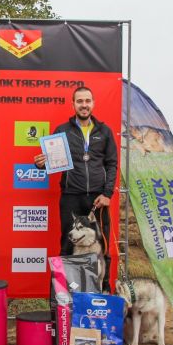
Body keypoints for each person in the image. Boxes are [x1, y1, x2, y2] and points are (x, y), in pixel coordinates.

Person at [34, 86, 118, 291]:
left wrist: (107, 194)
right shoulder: (62, 131)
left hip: (97, 199)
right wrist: (41, 164)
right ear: (73, 104)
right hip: (71, 196)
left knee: (102, 245)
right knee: (68, 244)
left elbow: (112, 164)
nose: (84, 105)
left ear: (93, 103)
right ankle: (63, 295)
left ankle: (103, 291)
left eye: (87, 101)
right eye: (80, 101)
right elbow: (51, 160)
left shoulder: (104, 131)